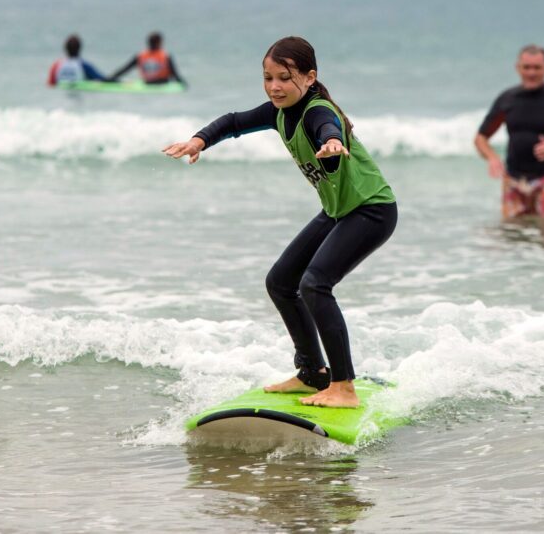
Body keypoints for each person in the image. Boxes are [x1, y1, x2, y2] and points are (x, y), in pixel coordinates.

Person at [162, 36, 396, 408]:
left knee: (316, 285)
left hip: (371, 209)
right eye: (268, 78)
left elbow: (326, 126)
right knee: (281, 282)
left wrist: (333, 142)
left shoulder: (318, 110)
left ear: (309, 76)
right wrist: (199, 140)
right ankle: (312, 374)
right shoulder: (278, 113)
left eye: (285, 78)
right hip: (339, 210)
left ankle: (344, 387)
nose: (275, 87)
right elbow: (234, 121)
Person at [475, 45, 544, 220]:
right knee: (511, 235)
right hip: (513, 180)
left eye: (537, 68)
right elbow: (481, 138)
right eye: (526, 67)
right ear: (518, 68)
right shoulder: (507, 99)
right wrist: (492, 157)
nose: (531, 73)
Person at [110, 32, 187, 86]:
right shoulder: (165, 56)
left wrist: (111, 79)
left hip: (147, 82)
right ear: (159, 43)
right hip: (161, 82)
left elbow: (125, 69)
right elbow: (174, 73)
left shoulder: (140, 56)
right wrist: (182, 83)